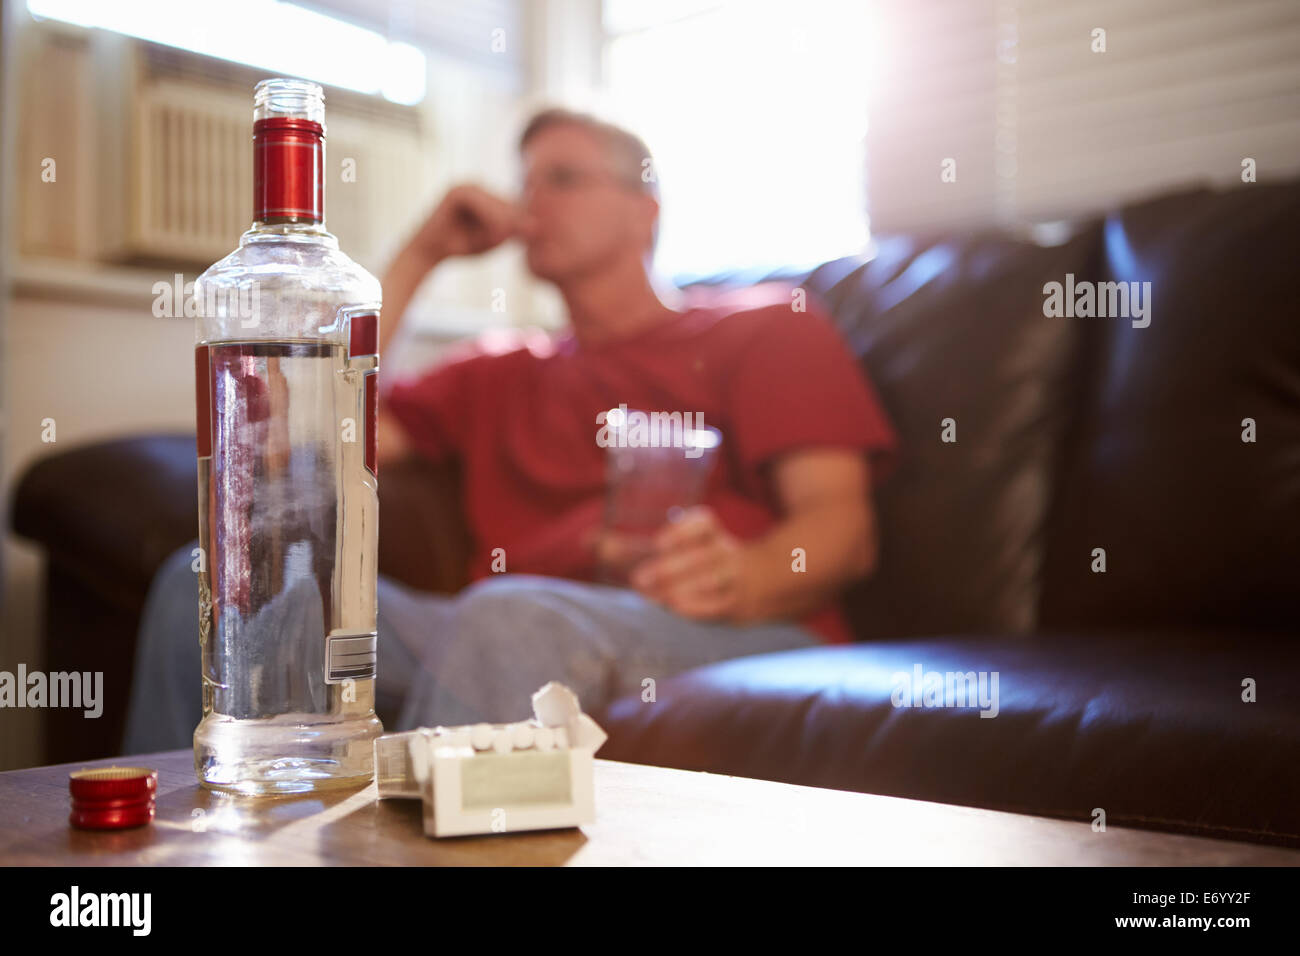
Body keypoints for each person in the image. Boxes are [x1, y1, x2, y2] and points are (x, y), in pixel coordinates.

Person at [121, 108, 897, 754]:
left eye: (562, 177)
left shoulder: (765, 327)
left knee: (506, 614)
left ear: (644, 209)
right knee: (217, 579)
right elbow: (314, 429)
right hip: (505, 628)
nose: (531, 202)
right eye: (525, 182)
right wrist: (424, 252)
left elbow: (843, 528)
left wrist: (748, 575)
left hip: (741, 630)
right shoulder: (499, 372)